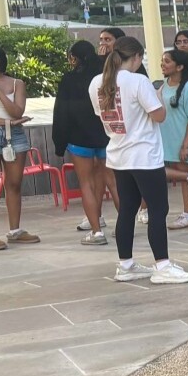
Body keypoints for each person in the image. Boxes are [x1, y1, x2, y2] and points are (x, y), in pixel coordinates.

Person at [90, 37, 188, 284]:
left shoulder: (96, 82)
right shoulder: (137, 81)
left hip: (118, 154)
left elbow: (103, 114)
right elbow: (159, 115)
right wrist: (157, 98)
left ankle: (126, 265)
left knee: (127, 208)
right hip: (144, 155)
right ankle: (162, 265)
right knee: (158, 209)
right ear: (136, 57)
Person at [56, 40, 115, 244]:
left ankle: (97, 232)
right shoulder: (104, 77)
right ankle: (127, 226)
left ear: (74, 58)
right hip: (106, 136)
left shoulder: (69, 79)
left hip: (79, 138)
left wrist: (59, 142)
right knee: (113, 182)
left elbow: (61, 112)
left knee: (86, 185)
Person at [158, 49, 188, 230]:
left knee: (184, 178)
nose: (163, 64)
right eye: (162, 61)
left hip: (183, 139)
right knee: (161, 171)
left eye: (167, 61)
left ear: (180, 67)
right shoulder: (163, 85)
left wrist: (186, 144)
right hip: (166, 139)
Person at [0, 46, 36, 249]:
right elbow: (13, 118)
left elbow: (17, 111)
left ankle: (15, 230)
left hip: (15, 136)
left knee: (14, 183)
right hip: (3, 131)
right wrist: (6, 123)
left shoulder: (17, 84)